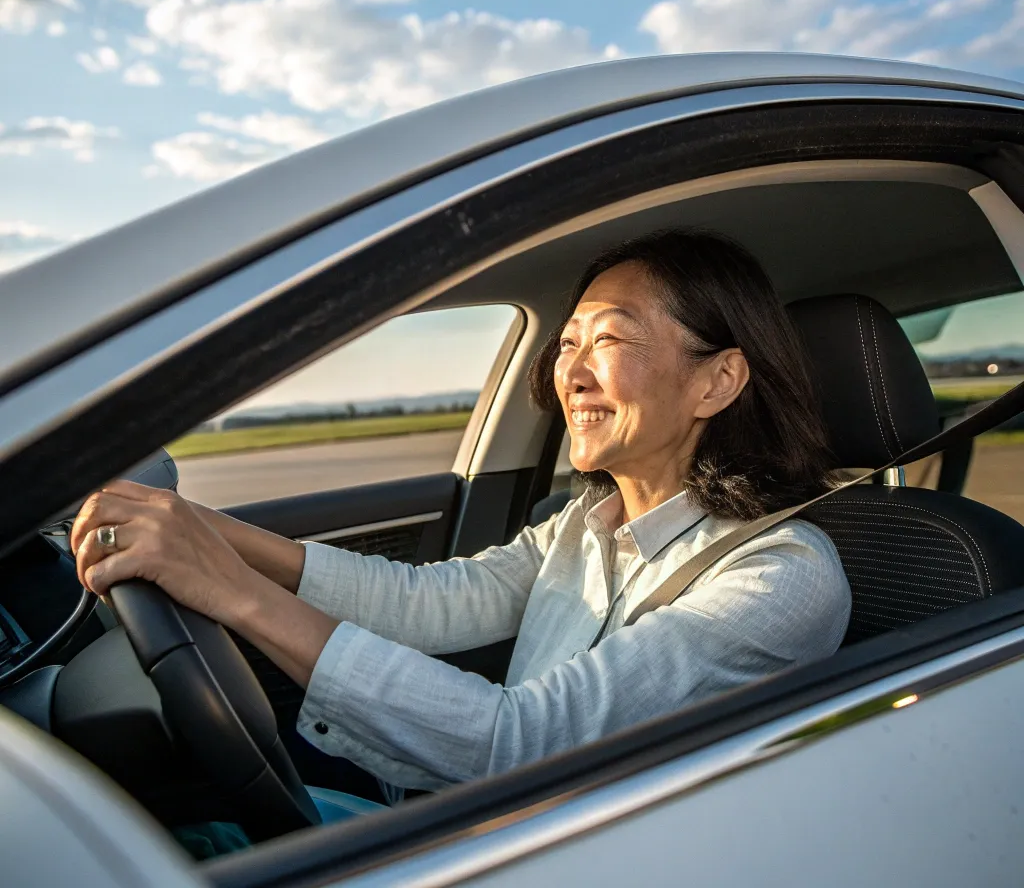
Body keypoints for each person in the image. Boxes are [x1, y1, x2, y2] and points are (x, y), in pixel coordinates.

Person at [70, 228, 851, 821]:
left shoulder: (782, 576)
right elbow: (426, 602)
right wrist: (210, 530)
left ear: (718, 379)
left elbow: (522, 743)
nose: (570, 371)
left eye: (608, 339)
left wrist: (231, 591)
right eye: (568, 341)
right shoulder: (583, 526)